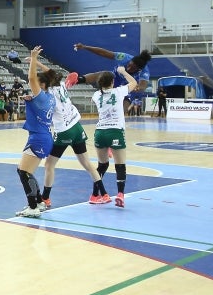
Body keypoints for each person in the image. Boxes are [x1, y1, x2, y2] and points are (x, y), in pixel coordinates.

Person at [29, 58, 109, 208]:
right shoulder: (60, 85)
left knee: (49, 165)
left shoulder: (46, 96)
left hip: (64, 131)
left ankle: (46, 197)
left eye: (40, 83)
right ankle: (103, 194)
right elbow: (50, 72)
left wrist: (33, 62)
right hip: (77, 126)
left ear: (44, 84)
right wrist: (36, 61)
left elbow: (35, 79)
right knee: (87, 163)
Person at [14, 46, 56, 218]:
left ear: (42, 85)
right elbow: (51, 77)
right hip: (43, 136)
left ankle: (33, 207)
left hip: (39, 137)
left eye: (36, 85)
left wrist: (33, 59)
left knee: (23, 172)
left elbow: (31, 77)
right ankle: (38, 202)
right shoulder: (51, 97)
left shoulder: (42, 96)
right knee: (26, 171)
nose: (33, 86)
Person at [92, 67, 139, 208]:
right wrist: (123, 72)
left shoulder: (95, 95)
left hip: (100, 132)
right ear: (112, 82)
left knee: (102, 165)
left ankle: (94, 195)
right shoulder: (118, 92)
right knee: (120, 165)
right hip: (115, 131)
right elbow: (134, 83)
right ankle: (120, 195)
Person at [66, 44, 151, 112]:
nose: (128, 68)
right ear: (129, 61)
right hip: (115, 78)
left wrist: (138, 88)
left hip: (127, 85)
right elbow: (103, 53)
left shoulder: (145, 71)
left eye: (132, 68)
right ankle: (77, 80)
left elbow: (143, 85)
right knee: (103, 74)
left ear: (139, 69)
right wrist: (85, 47)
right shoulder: (125, 57)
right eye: (129, 65)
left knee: (124, 108)